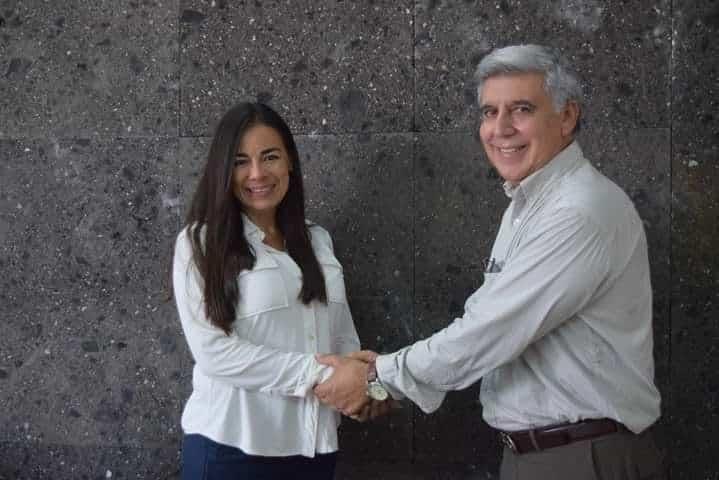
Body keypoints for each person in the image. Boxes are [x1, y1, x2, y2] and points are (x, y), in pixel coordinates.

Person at [314, 44, 666, 479]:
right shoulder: (530, 203)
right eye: (488, 112)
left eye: (521, 109)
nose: (500, 128)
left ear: (567, 117)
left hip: (581, 459)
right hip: (542, 455)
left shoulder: (578, 212)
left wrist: (378, 377)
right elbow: (488, 323)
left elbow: (487, 332)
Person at [172, 102, 364, 479]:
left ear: (290, 160)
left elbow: (340, 332)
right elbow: (214, 352)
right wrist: (322, 375)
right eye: (241, 161)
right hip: (232, 450)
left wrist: (362, 383)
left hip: (313, 448)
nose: (257, 174)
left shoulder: (318, 241)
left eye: (270, 157)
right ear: (223, 170)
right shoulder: (200, 242)